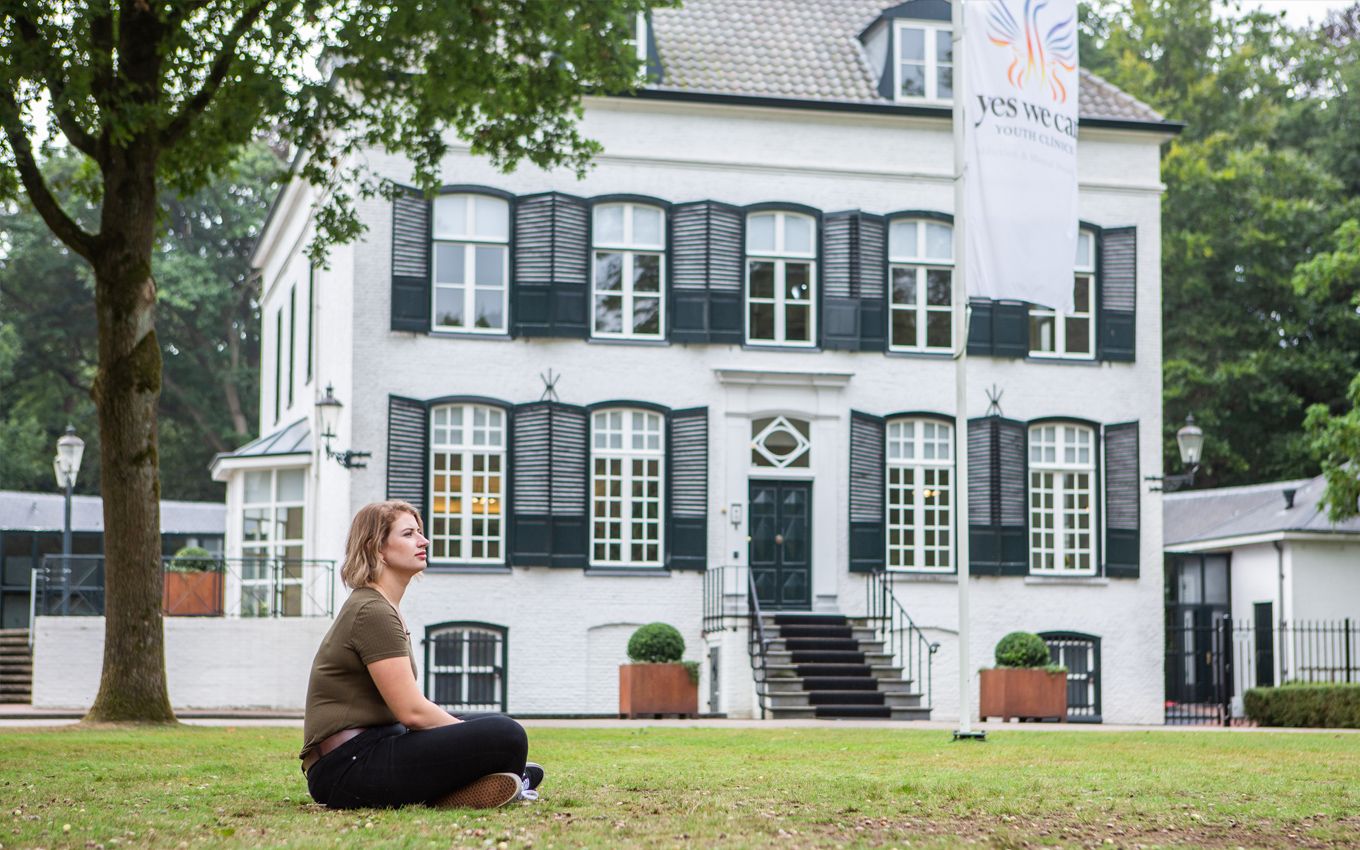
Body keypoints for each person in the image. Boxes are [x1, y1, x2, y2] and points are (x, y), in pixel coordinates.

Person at [300, 500, 544, 809]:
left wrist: (469, 736)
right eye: (409, 534)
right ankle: (492, 778)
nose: (424, 540)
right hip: (347, 768)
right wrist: (471, 739)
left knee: (493, 724)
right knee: (506, 735)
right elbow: (412, 712)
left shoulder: (381, 605)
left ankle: (486, 780)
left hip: (367, 752)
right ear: (377, 548)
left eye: (420, 532)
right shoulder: (372, 611)